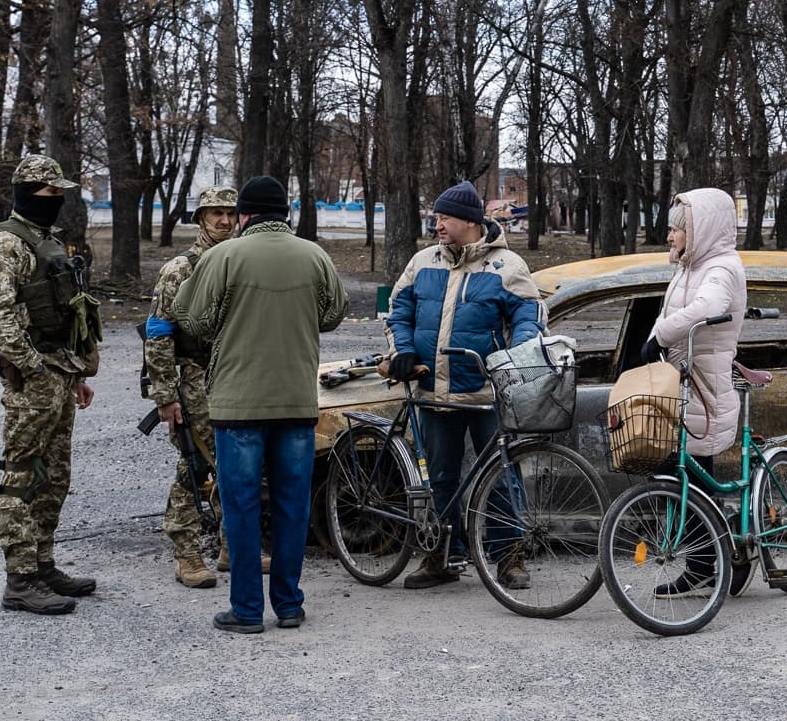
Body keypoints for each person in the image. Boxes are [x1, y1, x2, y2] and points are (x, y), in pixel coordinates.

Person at [174, 176, 348, 633]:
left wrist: (226, 325)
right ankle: (289, 605)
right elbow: (333, 314)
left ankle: (247, 610)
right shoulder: (314, 255)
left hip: (238, 405)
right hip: (296, 401)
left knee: (242, 506)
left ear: (246, 214)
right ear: (284, 213)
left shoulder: (223, 256)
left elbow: (190, 317)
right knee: (293, 505)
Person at [384, 180, 544, 590]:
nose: (437, 224)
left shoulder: (506, 266)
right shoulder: (422, 262)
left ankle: (509, 557)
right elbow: (398, 310)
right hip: (434, 391)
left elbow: (530, 314)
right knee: (440, 478)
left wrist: (518, 353)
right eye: (436, 217)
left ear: (470, 222)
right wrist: (402, 349)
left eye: (445, 218)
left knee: (501, 476)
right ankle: (440, 555)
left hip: (487, 393)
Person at [0, 154, 102, 615]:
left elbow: (65, 312)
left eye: (60, 195)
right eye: (51, 194)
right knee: (22, 475)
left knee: (56, 475)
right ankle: (20, 579)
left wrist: (72, 375)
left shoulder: (46, 241)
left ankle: (43, 564)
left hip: (57, 374)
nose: (57, 201)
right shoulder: (5, 245)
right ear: (29, 194)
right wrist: (34, 369)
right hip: (33, 381)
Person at [638, 187, 746, 598]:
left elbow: (707, 308)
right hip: (684, 382)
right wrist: (654, 339)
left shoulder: (721, 269)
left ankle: (711, 561)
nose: (669, 236)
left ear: (698, 231)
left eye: (675, 229)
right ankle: (709, 560)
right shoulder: (690, 267)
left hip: (705, 384)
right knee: (679, 475)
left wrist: (662, 335)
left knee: (694, 479)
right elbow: (668, 313)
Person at [142, 186, 237, 589]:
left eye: (231, 213)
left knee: (237, 461)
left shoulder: (241, 262)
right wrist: (165, 395)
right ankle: (187, 552)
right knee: (195, 463)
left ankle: (233, 546)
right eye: (215, 213)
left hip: (236, 375)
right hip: (195, 377)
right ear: (200, 218)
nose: (224, 221)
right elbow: (159, 332)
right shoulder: (181, 268)